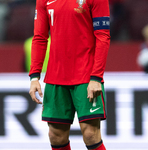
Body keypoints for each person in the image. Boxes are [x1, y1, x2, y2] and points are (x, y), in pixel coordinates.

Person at [29, 0, 110, 150]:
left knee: (91, 134)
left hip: (86, 76)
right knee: (56, 136)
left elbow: (103, 36)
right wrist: (34, 77)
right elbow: (40, 37)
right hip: (55, 77)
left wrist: (96, 77)